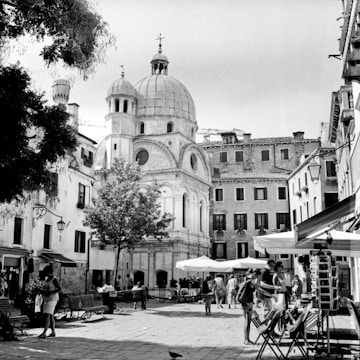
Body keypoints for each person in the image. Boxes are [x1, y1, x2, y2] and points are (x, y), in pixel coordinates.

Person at [237, 269, 259, 345]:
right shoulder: (249, 281)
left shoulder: (246, 281)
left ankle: (247, 339)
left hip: (245, 303)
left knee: (248, 321)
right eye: (255, 274)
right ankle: (246, 340)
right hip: (247, 303)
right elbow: (257, 287)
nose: (256, 276)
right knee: (247, 321)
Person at [38, 268, 61, 338]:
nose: (46, 274)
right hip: (47, 298)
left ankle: (44, 332)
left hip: (52, 299)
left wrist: (50, 292)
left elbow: (59, 289)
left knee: (48, 315)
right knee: (50, 315)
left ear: (50, 273)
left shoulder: (54, 279)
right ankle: (53, 332)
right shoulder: (47, 279)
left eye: (47, 273)